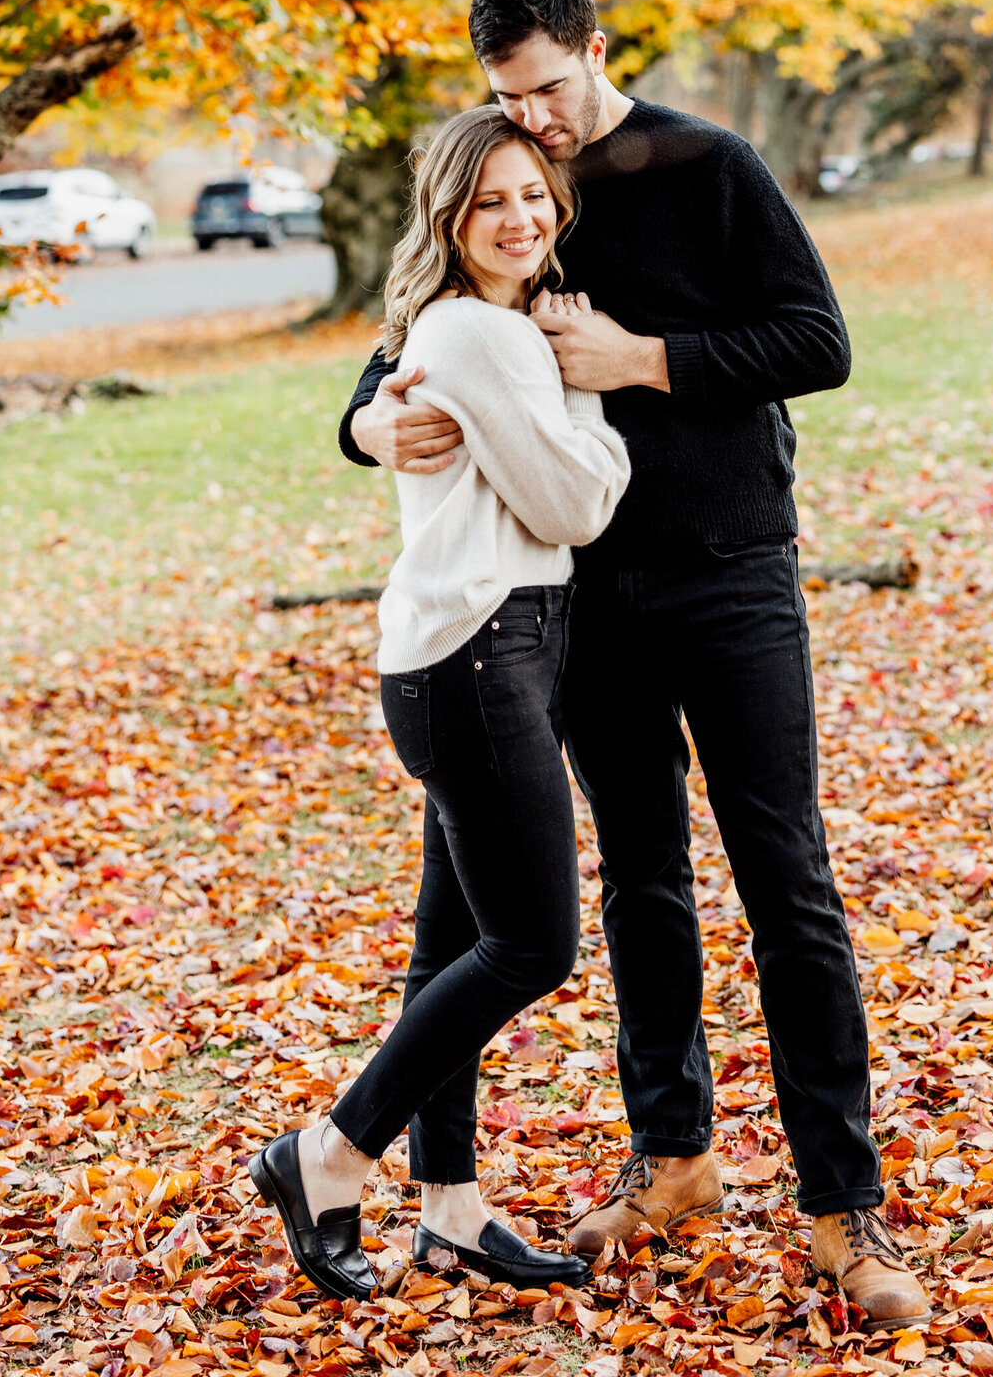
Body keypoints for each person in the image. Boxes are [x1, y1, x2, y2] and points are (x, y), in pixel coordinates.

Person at [341, 0, 928, 1327]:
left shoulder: (710, 167)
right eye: (507, 98)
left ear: (597, 48)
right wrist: (370, 426)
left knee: (787, 879)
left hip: (731, 573)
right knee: (641, 883)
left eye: (549, 90)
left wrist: (641, 359)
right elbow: (393, 353)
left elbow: (817, 341)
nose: (533, 125)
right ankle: (674, 1160)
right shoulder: (506, 183)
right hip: (580, 602)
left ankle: (847, 1210)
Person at [252, 105, 631, 1301]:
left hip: (471, 651)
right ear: (448, 220)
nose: (519, 219)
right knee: (533, 944)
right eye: (488, 203)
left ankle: (453, 1208)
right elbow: (577, 507)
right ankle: (325, 1154)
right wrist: (587, 387)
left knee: (451, 949)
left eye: (533, 195)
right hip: (480, 658)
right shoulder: (484, 337)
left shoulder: (472, 326)